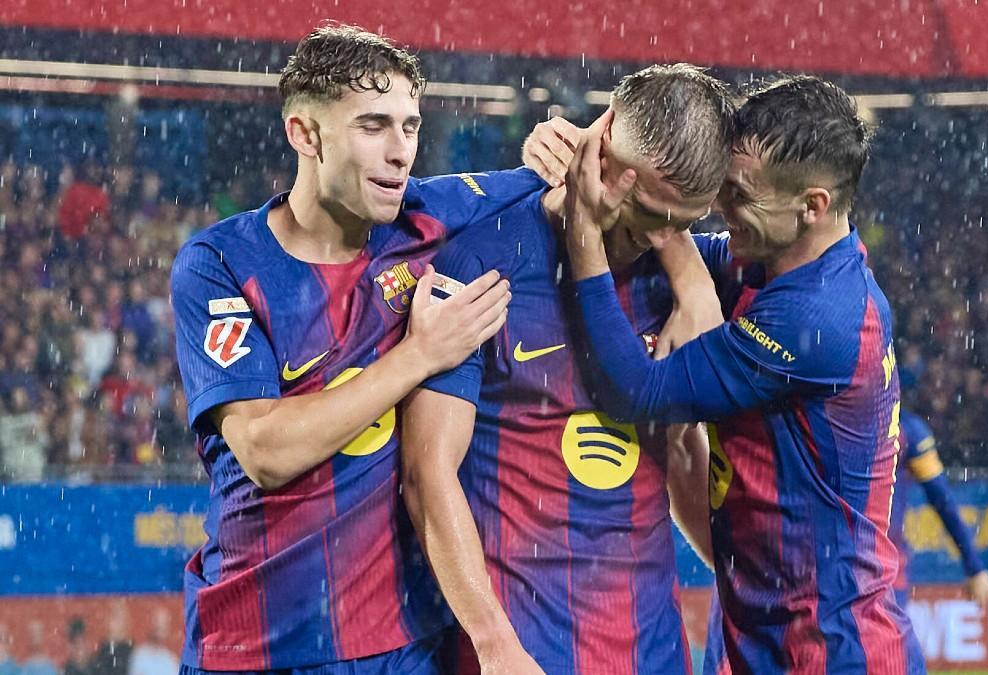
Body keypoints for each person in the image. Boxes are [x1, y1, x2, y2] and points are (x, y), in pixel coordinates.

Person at [171, 24, 522, 673]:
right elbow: (266, 451)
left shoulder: (424, 216)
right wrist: (418, 355)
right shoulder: (220, 263)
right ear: (305, 134)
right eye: (373, 126)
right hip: (253, 645)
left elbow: (563, 177)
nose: (401, 151)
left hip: (400, 646)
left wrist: (556, 145)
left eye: (410, 127)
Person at [561, 75, 924, 673]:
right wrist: (595, 164)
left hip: (831, 649)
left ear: (812, 206)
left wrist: (581, 228)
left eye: (739, 194)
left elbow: (636, 390)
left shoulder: (818, 319)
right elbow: (665, 243)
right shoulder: (775, 266)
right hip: (761, 630)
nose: (718, 208)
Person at [402, 64, 735, 673]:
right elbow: (427, 474)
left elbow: (683, 455)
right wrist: (494, 645)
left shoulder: (683, 281)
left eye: (681, 225)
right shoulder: (481, 262)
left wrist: (694, 282)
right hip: (521, 653)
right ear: (598, 149)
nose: (652, 239)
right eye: (643, 213)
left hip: (653, 654)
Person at [889, 409, 988, 609]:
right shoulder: (905, 428)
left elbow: (942, 498)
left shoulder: (906, 429)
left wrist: (974, 565)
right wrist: (974, 566)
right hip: (860, 564)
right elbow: (942, 499)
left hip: (879, 566)